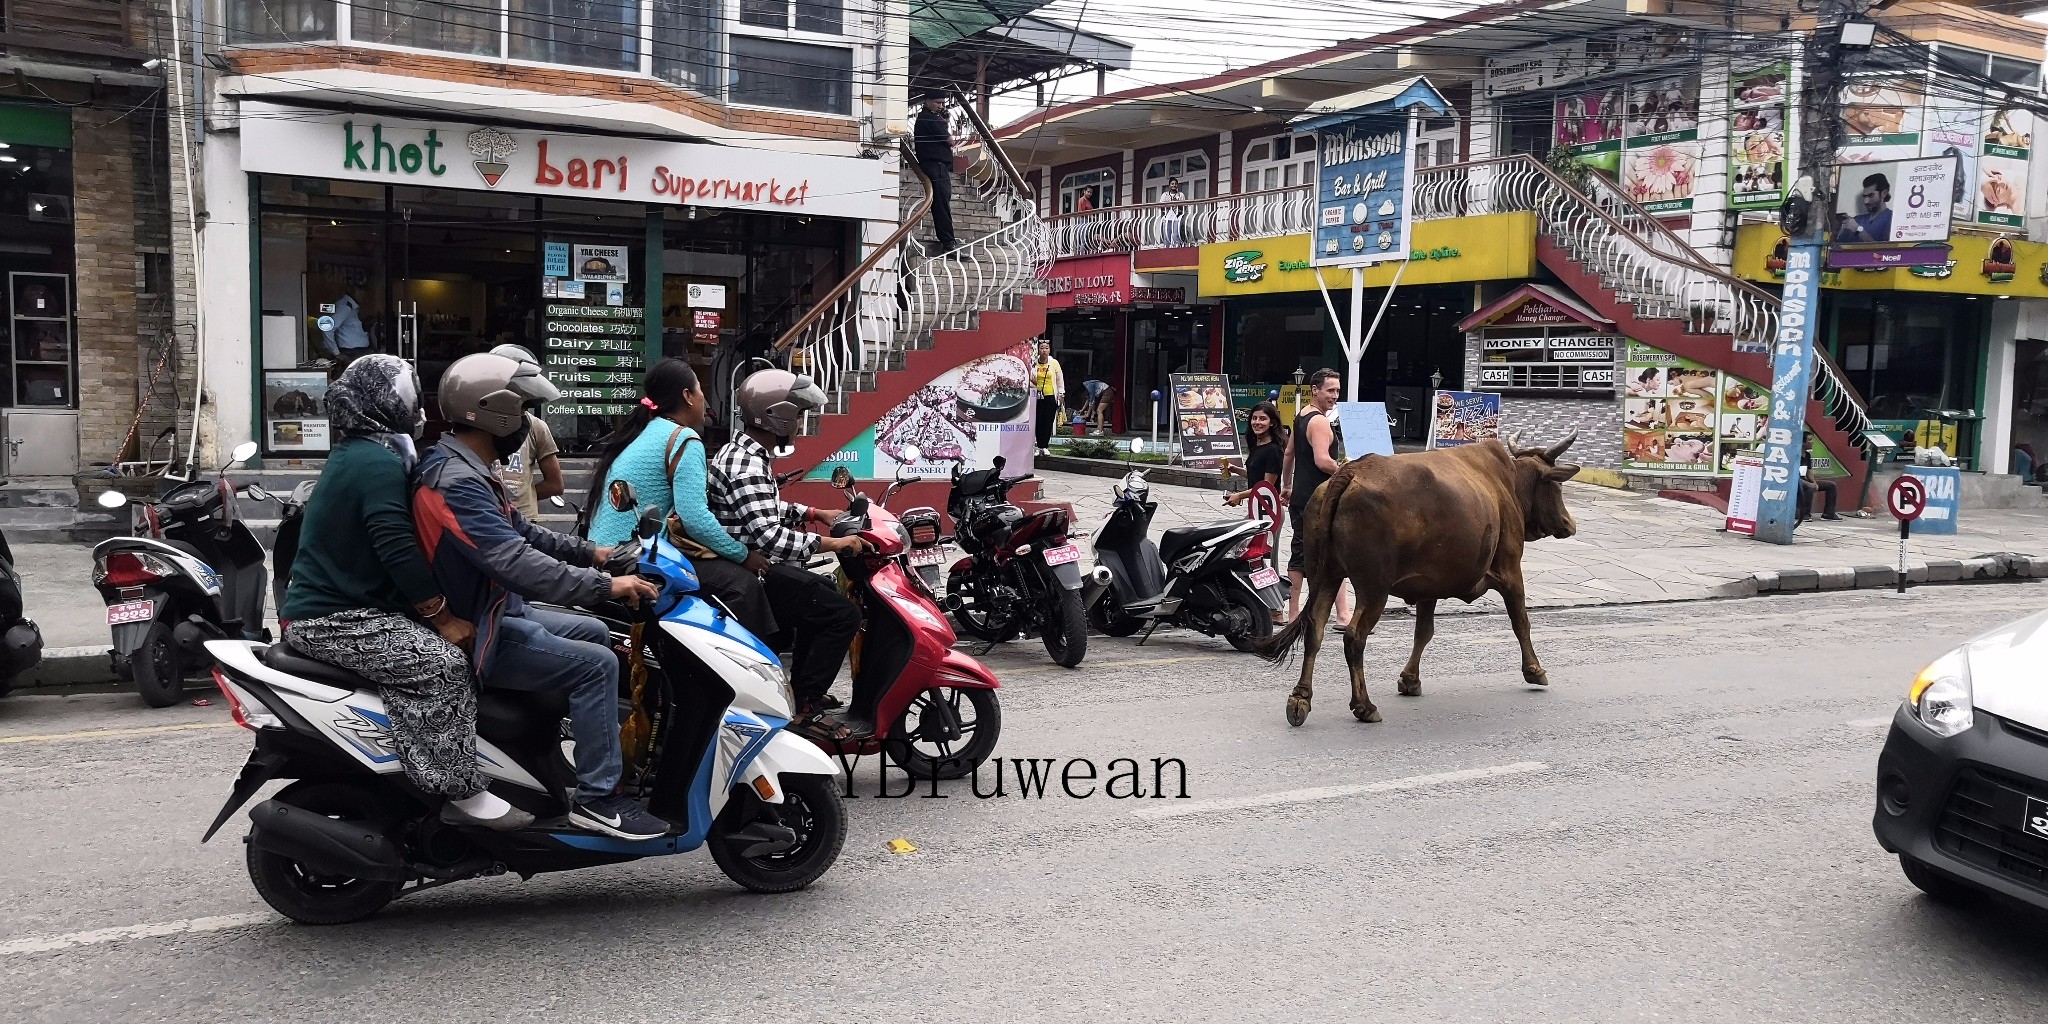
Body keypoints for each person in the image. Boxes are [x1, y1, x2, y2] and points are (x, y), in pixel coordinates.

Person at [413, 352, 668, 841]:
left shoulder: (468, 466)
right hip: (481, 628)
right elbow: (515, 562)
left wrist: (596, 553)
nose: (529, 422)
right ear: (495, 412)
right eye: (525, 410)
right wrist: (605, 584)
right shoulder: (458, 482)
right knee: (598, 665)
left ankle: (547, 755)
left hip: (496, 610)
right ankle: (598, 799)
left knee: (596, 631)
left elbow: (525, 533)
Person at [282, 355, 531, 832]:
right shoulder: (374, 461)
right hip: (334, 618)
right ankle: (456, 790)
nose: (413, 403)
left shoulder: (375, 451)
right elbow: (395, 545)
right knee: (441, 665)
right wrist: (441, 618)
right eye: (404, 394)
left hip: (350, 608)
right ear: (380, 402)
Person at [710, 369, 871, 738]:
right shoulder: (746, 464)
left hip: (754, 566)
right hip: (755, 571)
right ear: (777, 416)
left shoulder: (745, 454)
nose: (800, 422)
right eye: (797, 414)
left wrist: (815, 514)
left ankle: (802, 691)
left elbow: (764, 507)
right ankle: (808, 706)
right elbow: (769, 537)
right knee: (842, 615)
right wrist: (835, 543)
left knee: (826, 595)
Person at [583, 358, 774, 636]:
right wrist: (743, 555)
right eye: (699, 390)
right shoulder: (684, 439)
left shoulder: (641, 432)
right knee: (744, 587)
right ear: (687, 396)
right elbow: (695, 518)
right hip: (633, 560)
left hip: (606, 556)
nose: (704, 399)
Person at [1285, 368, 1352, 627]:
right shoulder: (1320, 422)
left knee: (1301, 551)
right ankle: (1336, 613)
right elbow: (1323, 460)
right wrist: (1347, 470)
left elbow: (1289, 453)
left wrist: (1287, 485)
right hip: (1320, 498)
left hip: (1301, 496)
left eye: (1337, 391)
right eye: (1330, 391)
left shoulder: (1301, 416)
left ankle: (1298, 612)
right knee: (1331, 553)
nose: (1335, 396)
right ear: (1315, 390)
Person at [488, 344, 564, 521]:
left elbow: (555, 484)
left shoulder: (536, 426)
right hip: (489, 518)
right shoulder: (479, 424)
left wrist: (522, 500)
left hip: (525, 521)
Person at [913, 91, 959, 253]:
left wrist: (943, 121)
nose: (941, 106)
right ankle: (949, 242)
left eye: (943, 103)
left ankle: (948, 239)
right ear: (927, 101)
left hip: (935, 164)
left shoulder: (928, 118)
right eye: (938, 102)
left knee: (942, 202)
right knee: (941, 204)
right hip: (935, 165)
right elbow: (950, 141)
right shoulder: (929, 118)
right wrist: (945, 124)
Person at [1835, 172, 1892, 243]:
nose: (1866, 201)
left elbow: (1884, 250)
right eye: (1864, 197)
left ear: (1884, 193)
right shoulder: (1857, 220)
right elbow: (1838, 247)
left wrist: (1857, 229)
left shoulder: (1891, 219)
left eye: (1871, 195)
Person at [1032, 341, 1066, 456]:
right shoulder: (1033, 362)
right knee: (1037, 421)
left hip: (1050, 395)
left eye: (1046, 348)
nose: (1044, 350)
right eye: (1042, 348)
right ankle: (1037, 446)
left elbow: (1059, 379)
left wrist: (1061, 393)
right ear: (1038, 350)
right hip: (1036, 396)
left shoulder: (1054, 363)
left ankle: (1044, 446)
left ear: (1049, 350)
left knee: (1048, 421)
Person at [1796, 448, 1841, 522]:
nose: (1812, 442)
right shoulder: (1795, 454)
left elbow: (1809, 471)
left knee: (1831, 485)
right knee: (1809, 487)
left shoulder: (1807, 455)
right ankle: (1805, 514)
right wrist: (1810, 484)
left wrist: (1814, 482)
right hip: (1797, 481)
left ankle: (1828, 514)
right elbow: (1794, 477)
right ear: (1803, 442)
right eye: (1809, 440)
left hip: (1805, 480)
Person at [1159, 176, 1187, 247]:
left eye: (1175, 184)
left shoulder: (1180, 195)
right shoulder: (1165, 195)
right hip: (1167, 218)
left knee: (1176, 235)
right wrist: (1169, 204)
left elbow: (1184, 207)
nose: (1174, 185)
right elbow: (1161, 206)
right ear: (1169, 185)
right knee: (1166, 236)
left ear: (1177, 185)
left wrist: (1177, 203)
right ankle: (1166, 250)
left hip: (1177, 218)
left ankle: (1177, 249)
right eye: (1172, 184)